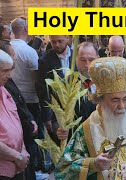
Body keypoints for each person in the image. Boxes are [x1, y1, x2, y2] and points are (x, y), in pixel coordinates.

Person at [54, 57, 126, 180]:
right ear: (101, 100)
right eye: (115, 100)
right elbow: (63, 170)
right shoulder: (87, 130)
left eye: (125, 99)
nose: (122, 106)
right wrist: (93, 164)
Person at [0, 40, 38, 180]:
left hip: (18, 165)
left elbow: (16, 123)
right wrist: (17, 156)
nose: (9, 75)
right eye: (5, 71)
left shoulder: (4, 90)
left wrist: (22, 151)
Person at [54, 42, 97, 143]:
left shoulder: (105, 81)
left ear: (98, 58)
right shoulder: (65, 84)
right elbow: (55, 116)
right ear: (76, 59)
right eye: (82, 60)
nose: (87, 65)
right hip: (75, 140)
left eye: (91, 60)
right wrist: (58, 129)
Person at [37, 35, 72, 143]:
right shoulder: (45, 60)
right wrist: (47, 116)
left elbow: (85, 78)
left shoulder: (78, 56)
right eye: (53, 42)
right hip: (57, 112)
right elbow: (42, 89)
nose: (57, 45)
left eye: (60, 41)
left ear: (68, 38)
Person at [10, 17, 40, 130]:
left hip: (10, 99)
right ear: (26, 28)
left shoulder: (5, 49)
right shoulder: (29, 52)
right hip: (30, 99)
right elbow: (37, 78)